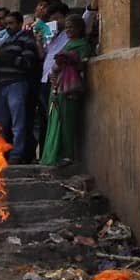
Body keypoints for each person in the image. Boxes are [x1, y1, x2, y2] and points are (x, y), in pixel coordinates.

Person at [40, 15, 91, 166]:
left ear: (80, 28)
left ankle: (67, 155)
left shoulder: (82, 45)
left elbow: (82, 65)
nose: (68, 30)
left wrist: (67, 61)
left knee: (67, 121)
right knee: (55, 119)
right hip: (57, 87)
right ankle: (55, 154)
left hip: (69, 89)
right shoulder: (69, 44)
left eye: (71, 27)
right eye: (67, 27)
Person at [0, 12, 39, 164]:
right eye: (6, 24)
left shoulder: (26, 38)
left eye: (11, 23)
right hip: (2, 85)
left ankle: (17, 154)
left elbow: (27, 63)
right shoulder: (4, 40)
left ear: (19, 23)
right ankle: (1, 154)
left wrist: (4, 56)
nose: (7, 27)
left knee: (18, 123)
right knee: (0, 124)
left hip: (17, 84)